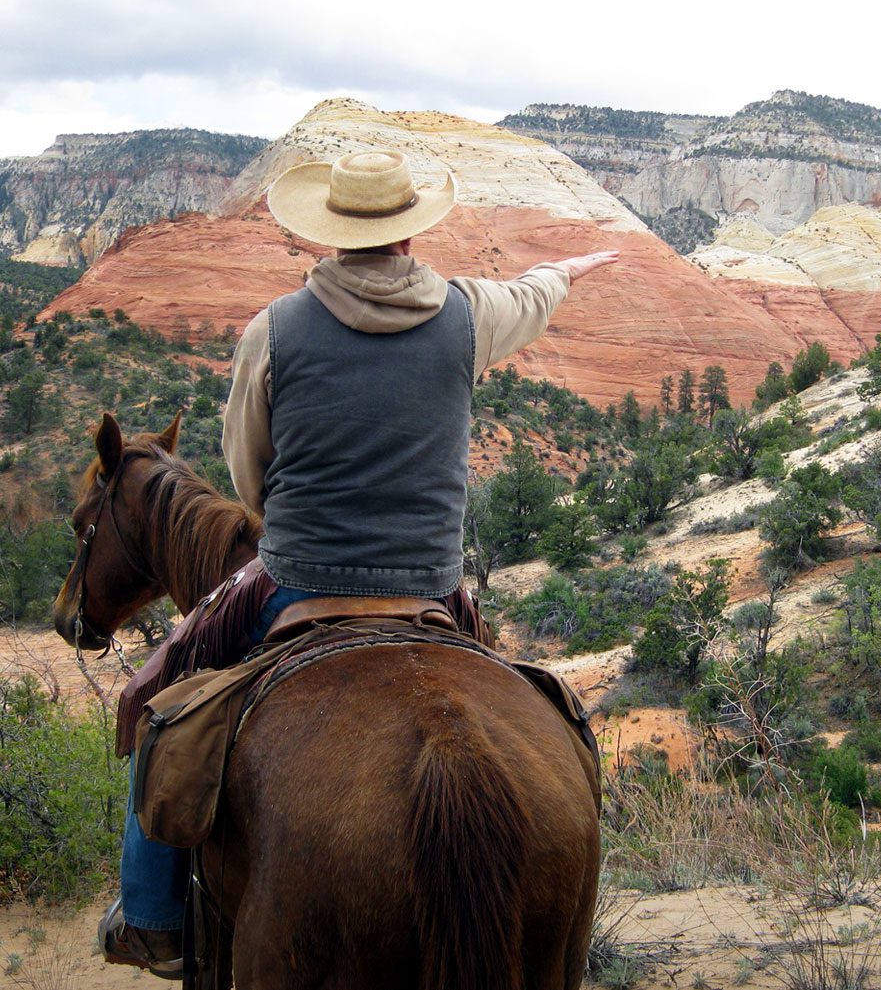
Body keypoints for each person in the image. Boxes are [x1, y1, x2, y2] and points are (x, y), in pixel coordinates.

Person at [99, 149, 618, 977]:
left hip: (296, 575)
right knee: (537, 709)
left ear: (331, 237)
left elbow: (245, 467)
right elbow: (531, 299)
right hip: (431, 585)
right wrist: (565, 269)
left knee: (163, 701)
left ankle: (151, 916)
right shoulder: (466, 314)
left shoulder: (273, 327)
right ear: (411, 234)